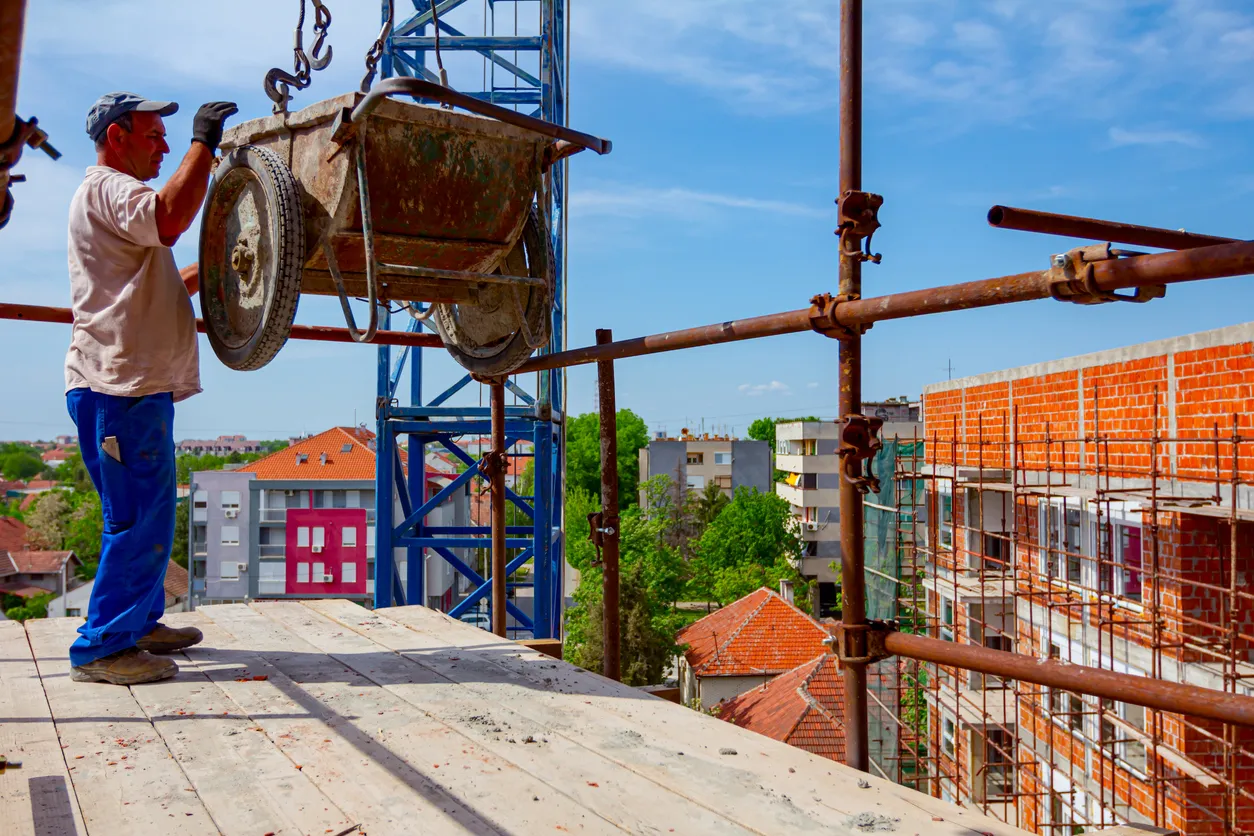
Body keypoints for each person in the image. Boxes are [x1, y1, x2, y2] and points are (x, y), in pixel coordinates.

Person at [65, 92, 237, 685]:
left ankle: (136, 625)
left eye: (171, 137)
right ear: (117, 137)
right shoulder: (110, 190)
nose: (165, 145)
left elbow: (164, 282)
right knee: (134, 518)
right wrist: (204, 142)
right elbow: (169, 216)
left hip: (134, 387)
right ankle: (102, 648)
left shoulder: (117, 208)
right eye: (153, 135)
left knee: (154, 515)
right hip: (115, 389)